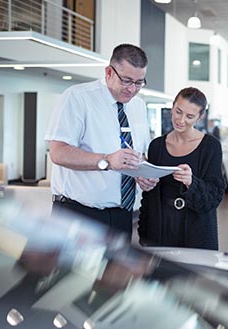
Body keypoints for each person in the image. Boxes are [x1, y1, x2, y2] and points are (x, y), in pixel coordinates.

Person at [45, 43, 159, 237]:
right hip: (79, 214)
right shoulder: (77, 97)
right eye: (126, 80)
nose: (132, 89)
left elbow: (139, 153)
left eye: (139, 82)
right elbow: (58, 152)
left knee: (116, 268)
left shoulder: (138, 106)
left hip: (123, 215)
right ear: (108, 72)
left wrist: (144, 172)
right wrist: (107, 160)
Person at [137, 87, 225, 250]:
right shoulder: (157, 145)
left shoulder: (210, 147)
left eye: (190, 116)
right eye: (178, 111)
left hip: (197, 229)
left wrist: (192, 182)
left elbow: (215, 195)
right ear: (172, 107)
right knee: (160, 274)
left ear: (200, 117)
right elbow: (149, 197)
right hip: (161, 228)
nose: (181, 120)